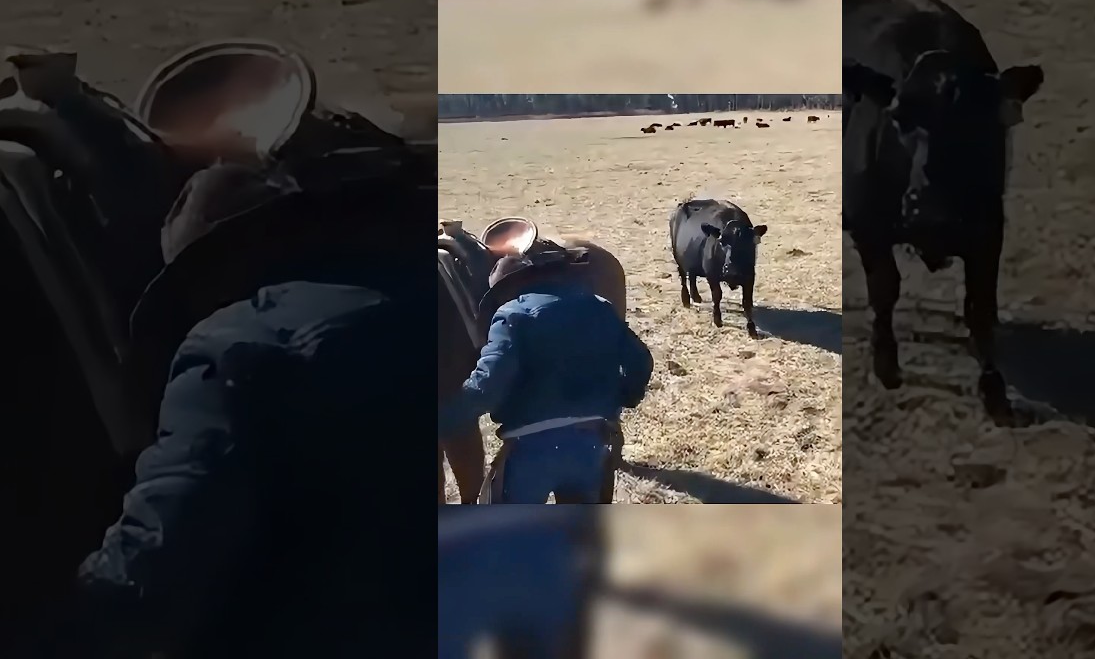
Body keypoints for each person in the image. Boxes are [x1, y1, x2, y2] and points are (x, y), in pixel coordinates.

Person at [45, 132, 436, 657]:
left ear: (219, 261)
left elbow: (165, 550)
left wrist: (66, 625)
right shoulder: (415, 296)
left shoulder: (235, 345)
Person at [437, 252, 654, 504]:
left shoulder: (511, 315)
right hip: (591, 444)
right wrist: (624, 397)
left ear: (509, 286)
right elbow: (641, 362)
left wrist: (448, 418)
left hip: (531, 450)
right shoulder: (599, 305)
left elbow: (486, 386)